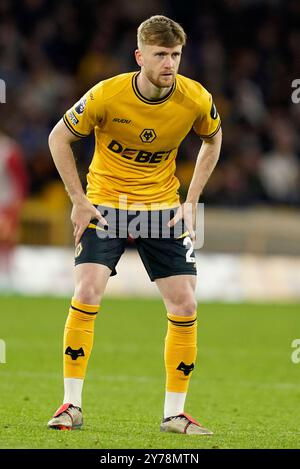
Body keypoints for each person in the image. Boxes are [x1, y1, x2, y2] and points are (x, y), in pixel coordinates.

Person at [47, 15, 222, 435]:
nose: (169, 63)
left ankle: (174, 415)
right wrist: (78, 200)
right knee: (87, 290)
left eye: (176, 55)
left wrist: (192, 199)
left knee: (185, 304)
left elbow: (213, 140)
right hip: (106, 204)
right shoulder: (107, 95)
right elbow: (58, 137)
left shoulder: (195, 99)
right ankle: (70, 405)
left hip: (162, 208)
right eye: (161, 54)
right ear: (140, 55)